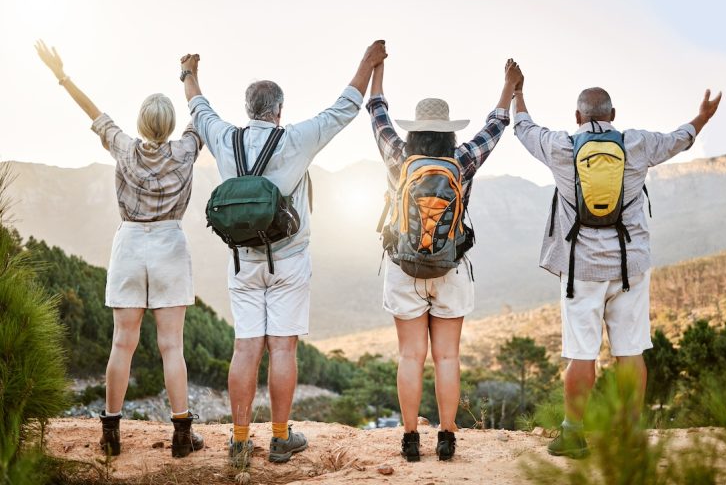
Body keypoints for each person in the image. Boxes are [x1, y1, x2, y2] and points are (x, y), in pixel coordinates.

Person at [180, 40, 387, 466]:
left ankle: (239, 442)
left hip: (242, 261)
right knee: (283, 349)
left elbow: (198, 108)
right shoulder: (295, 138)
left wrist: (189, 72)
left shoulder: (224, 137)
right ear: (278, 111)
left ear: (248, 108)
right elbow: (344, 108)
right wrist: (367, 61)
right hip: (289, 260)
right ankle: (279, 438)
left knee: (245, 349)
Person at [507, 60, 722, 458]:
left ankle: (573, 435)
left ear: (577, 117)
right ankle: (629, 433)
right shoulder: (636, 143)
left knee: (581, 354)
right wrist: (702, 117)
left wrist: (517, 91)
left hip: (581, 271)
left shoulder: (560, 146)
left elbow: (523, 127)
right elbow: (680, 138)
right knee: (631, 351)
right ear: (614, 116)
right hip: (630, 268)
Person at [35, 40, 206, 458]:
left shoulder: (124, 148)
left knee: (121, 344)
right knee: (172, 346)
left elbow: (91, 111)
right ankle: (182, 435)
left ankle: (111, 433)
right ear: (168, 125)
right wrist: (190, 75)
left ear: (141, 123)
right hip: (169, 244)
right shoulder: (186, 150)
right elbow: (200, 112)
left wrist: (62, 75)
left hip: (130, 244)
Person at [366, 57, 517, 461]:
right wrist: (509, 87)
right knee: (447, 356)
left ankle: (411, 438)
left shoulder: (399, 156)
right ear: (448, 132)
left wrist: (377, 69)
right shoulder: (462, 160)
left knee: (410, 356)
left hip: (404, 267)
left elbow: (377, 113)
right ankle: (448, 437)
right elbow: (496, 126)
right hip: (452, 268)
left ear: (414, 130)